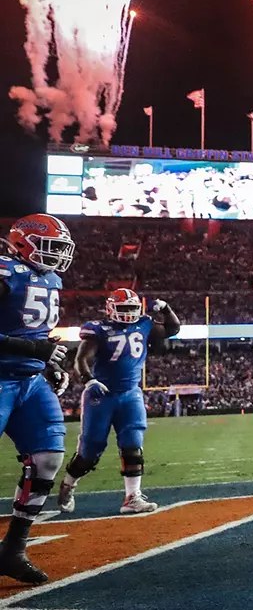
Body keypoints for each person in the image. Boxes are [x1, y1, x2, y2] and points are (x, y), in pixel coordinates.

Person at [57, 289, 181, 514]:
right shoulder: (99, 330)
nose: (128, 314)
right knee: (90, 452)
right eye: (123, 309)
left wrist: (166, 309)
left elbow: (172, 329)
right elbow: (81, 359)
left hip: (130, 394)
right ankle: (68, 484)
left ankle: (132, 497)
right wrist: (88, 380)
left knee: (133, 445)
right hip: (101, 394)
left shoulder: (144, 324)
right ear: (111, 309)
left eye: (132, 309)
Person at [0, 213, 75, 584]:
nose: (58, 255)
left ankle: (12, 550)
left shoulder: (50, 278)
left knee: (47, 459)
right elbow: (31, 339)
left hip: (29, 380)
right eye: (51, 247)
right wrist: (33, 348)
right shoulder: (5, 272)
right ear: (22, 242)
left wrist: (45, 363)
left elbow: (38, 334)